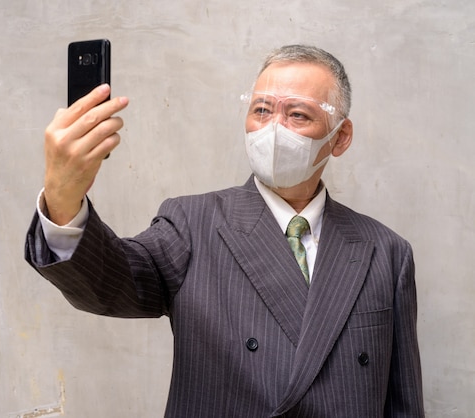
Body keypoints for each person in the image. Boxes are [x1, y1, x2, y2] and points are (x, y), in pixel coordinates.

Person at [25, 45, 424, 417]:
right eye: (262, 110)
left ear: (340, 137)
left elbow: (402, 403)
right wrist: (64, 198)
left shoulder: (385, 251)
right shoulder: (191, 224)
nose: (273, 129)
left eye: (298, 115)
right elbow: (110, 284)